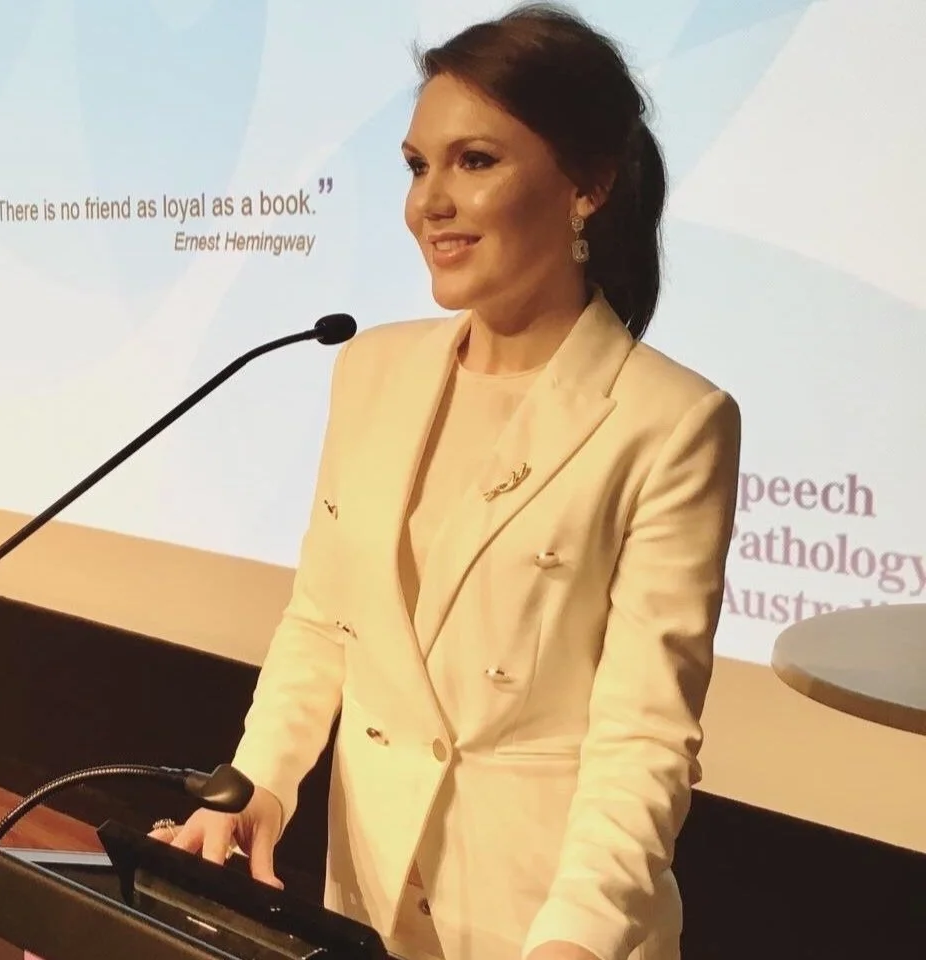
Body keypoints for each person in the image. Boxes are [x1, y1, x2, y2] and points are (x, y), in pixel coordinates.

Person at [149, 4, 741, 960]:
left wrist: (575, 942)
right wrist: (255, 786)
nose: (430, 202)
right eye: (418, 165)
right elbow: (323, 622)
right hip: (368, 906)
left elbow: (644, 742)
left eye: (475, 161)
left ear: (587, 183)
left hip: (550, 925)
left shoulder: (672, 423)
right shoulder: (370, 369)